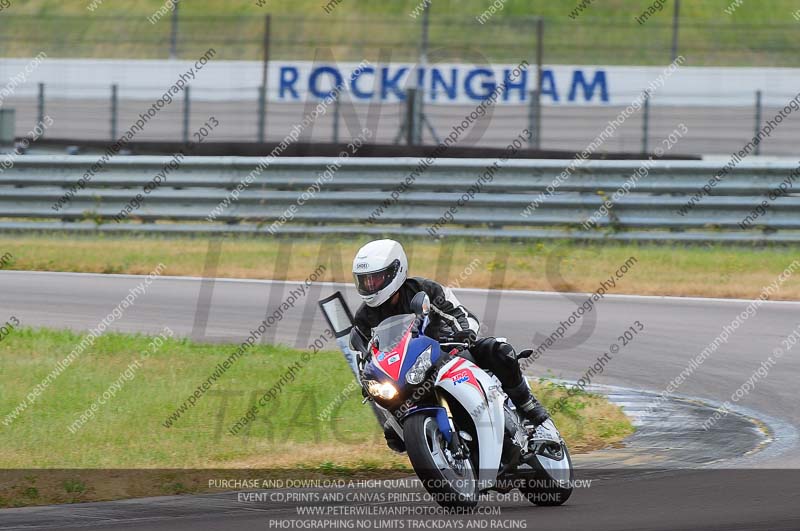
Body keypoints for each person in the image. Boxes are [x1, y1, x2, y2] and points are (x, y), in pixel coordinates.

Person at [349, 239, 551, 452]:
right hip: (407, 371)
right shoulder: (364, 317)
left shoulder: (424, 290)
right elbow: (367, 355)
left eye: (376, 279)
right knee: (394, 434)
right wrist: (367, 379)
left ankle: (531, 410)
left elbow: (458, 314)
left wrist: (465, 333)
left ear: (395, 272)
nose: (370, 286)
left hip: (447, 350)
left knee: (498, 351)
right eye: (365, 281)